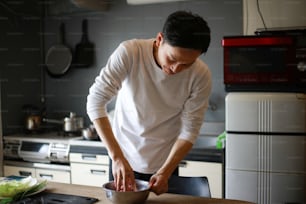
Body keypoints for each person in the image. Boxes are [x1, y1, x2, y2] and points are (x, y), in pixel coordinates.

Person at [86, 10, 211, 195]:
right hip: (122, 157)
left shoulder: (200, 75)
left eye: (186, 64)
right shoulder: (130, 53)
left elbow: (190, 130)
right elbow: (95, 102)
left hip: (165, 163)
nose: (176, 69)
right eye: (173, 59)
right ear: (160, 39)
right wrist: (117, 158)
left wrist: (165, 172)